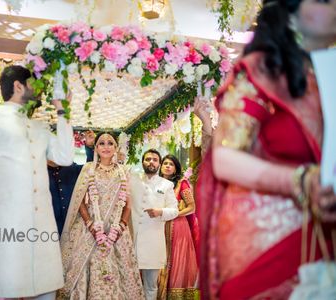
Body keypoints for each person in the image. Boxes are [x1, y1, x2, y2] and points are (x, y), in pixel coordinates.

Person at [196, 0, 336, 299]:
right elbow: (225, 159)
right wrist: (301, 181)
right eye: (324, 0)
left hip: (325, 233)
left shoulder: (327, 76)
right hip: (266, 240)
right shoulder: (263, 69)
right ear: (291, 13)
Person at [0, 65, 74, 299]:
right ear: (18, 86)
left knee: (46, 292)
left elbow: (65, 157)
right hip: (6, 226)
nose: (40, 91)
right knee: (5, 290)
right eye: (34, 85)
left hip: (43, 228)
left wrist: (64, 112)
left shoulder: (40, 126)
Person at [59, 132, 144, 299]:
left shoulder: (124, 172)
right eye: (102, 143)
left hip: (117, 231)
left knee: (121, 274)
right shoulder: (88, 169)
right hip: (90, 229)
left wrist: (120, 227)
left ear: (116, 147)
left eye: (110, 143)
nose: (106, 146)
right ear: (96, 148)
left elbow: (128, 205)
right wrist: (91, 225)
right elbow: (80, 201)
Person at [129, 149, 179, 300]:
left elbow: (175, 211)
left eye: (155, 159)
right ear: (142, 162)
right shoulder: (132, 180)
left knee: (151, 285)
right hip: (132, 240)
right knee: (129, 282)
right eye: (148, 159)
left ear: (158, 163)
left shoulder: (167, 185)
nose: (151, 162)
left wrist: (160, 211)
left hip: (153, 242)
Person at [157, 154, 199, 300]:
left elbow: (192, 207)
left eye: (171, 164)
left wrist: (174, 213)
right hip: (159, 227)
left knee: (176, 260)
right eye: (165, 163)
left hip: (178, 226)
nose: (167, 166)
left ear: (175, 169)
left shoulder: (182, 183)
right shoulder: (155, 183)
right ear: (160, 167)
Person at [49, 130, 95, 233]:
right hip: (48, 231)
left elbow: (91, 169)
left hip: (73, 230)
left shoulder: (72, 168)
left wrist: (89, 146)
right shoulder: (39, 173)